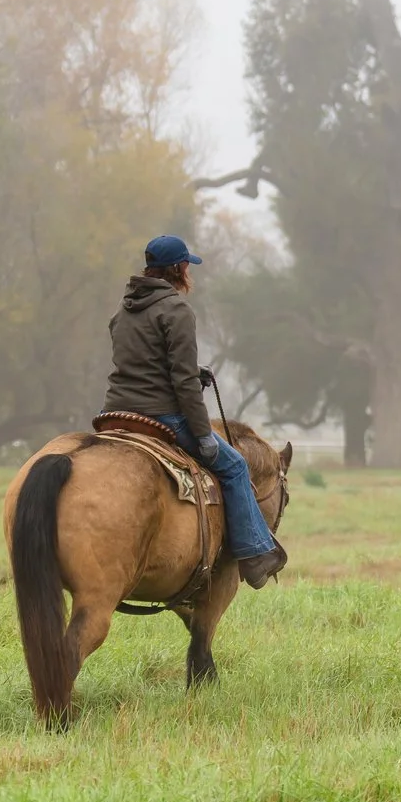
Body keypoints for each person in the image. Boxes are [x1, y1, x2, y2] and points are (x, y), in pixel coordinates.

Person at [104, 234, 288, 587]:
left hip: (116, 411)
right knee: (234, 465)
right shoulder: (176, 310)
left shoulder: (123, 310)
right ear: (177, 269)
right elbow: (183, 385)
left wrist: (191, 368)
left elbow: (143, 361)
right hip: (161, 416)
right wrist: (203, 434)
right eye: (187, 264)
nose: (189, 270)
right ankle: (255, 552)